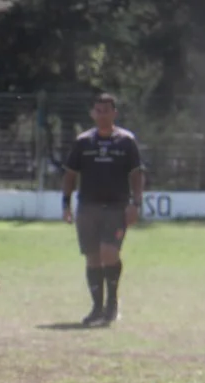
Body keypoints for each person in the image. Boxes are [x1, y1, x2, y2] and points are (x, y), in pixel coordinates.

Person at [61, 93, 144, 326]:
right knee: (92, 257)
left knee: (109, 252)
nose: (102, 115)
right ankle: (97, 308)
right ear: (92, 114)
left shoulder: (126, 141)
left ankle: (112, 303)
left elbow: (137, 174)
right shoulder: (83, 142)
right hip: (88, 207)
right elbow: (70, 175)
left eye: (106, 111)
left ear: (114, 113)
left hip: (116, 207)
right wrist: (66, 204)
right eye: (98, 111)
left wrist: (136, 204)